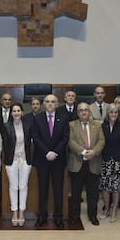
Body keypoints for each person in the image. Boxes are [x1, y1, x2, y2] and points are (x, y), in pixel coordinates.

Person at [32, 94, 69, 228]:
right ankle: (42, 216)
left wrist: (55, 152)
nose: (50, 104)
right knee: (42, 189)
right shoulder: (38, 118)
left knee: (58, 189)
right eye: (47, 101)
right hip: (42, 159)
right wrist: (47, 152)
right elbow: (35, 138)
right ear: (43, 104)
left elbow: (65, 138)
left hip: (58, 160)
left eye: (53, 101)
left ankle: (58, 217)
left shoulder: (64, 118)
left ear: (57, 103)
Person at [68, 103, 105, 226]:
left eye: (86, 110)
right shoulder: (72, 125)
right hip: (77, 163)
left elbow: (101, 140)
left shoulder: (97, 125)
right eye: (81, 110)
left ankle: (92, 215)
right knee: (76, 193)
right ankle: (74, 215)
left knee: (93, 193)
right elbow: (71, 141)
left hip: (93, 163)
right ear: (78, 113)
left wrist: (94, 152)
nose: (84, 112)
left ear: (89, 112)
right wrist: (84, 152)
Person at [2, 103, 33, 226]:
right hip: (12, 161)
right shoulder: (6, 126)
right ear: (11, 113)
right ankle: (14, 212)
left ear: (22, 112)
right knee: (13, 187)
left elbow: (30, 143)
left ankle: (22, 212)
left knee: (23, 186)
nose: (16, 113)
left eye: (18, 110)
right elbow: (5, 145)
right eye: (14, 111)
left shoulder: (28, 126)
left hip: (25, 160)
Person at [98, 104, 120, 223]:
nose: (114, 114)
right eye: (111, 112)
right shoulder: (102, 126)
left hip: (118, 160)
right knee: (105, 187)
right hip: (105, 160)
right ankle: (106, 209)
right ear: (107, 114)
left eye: (116, 112)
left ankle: (114, 210)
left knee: (116, 187)